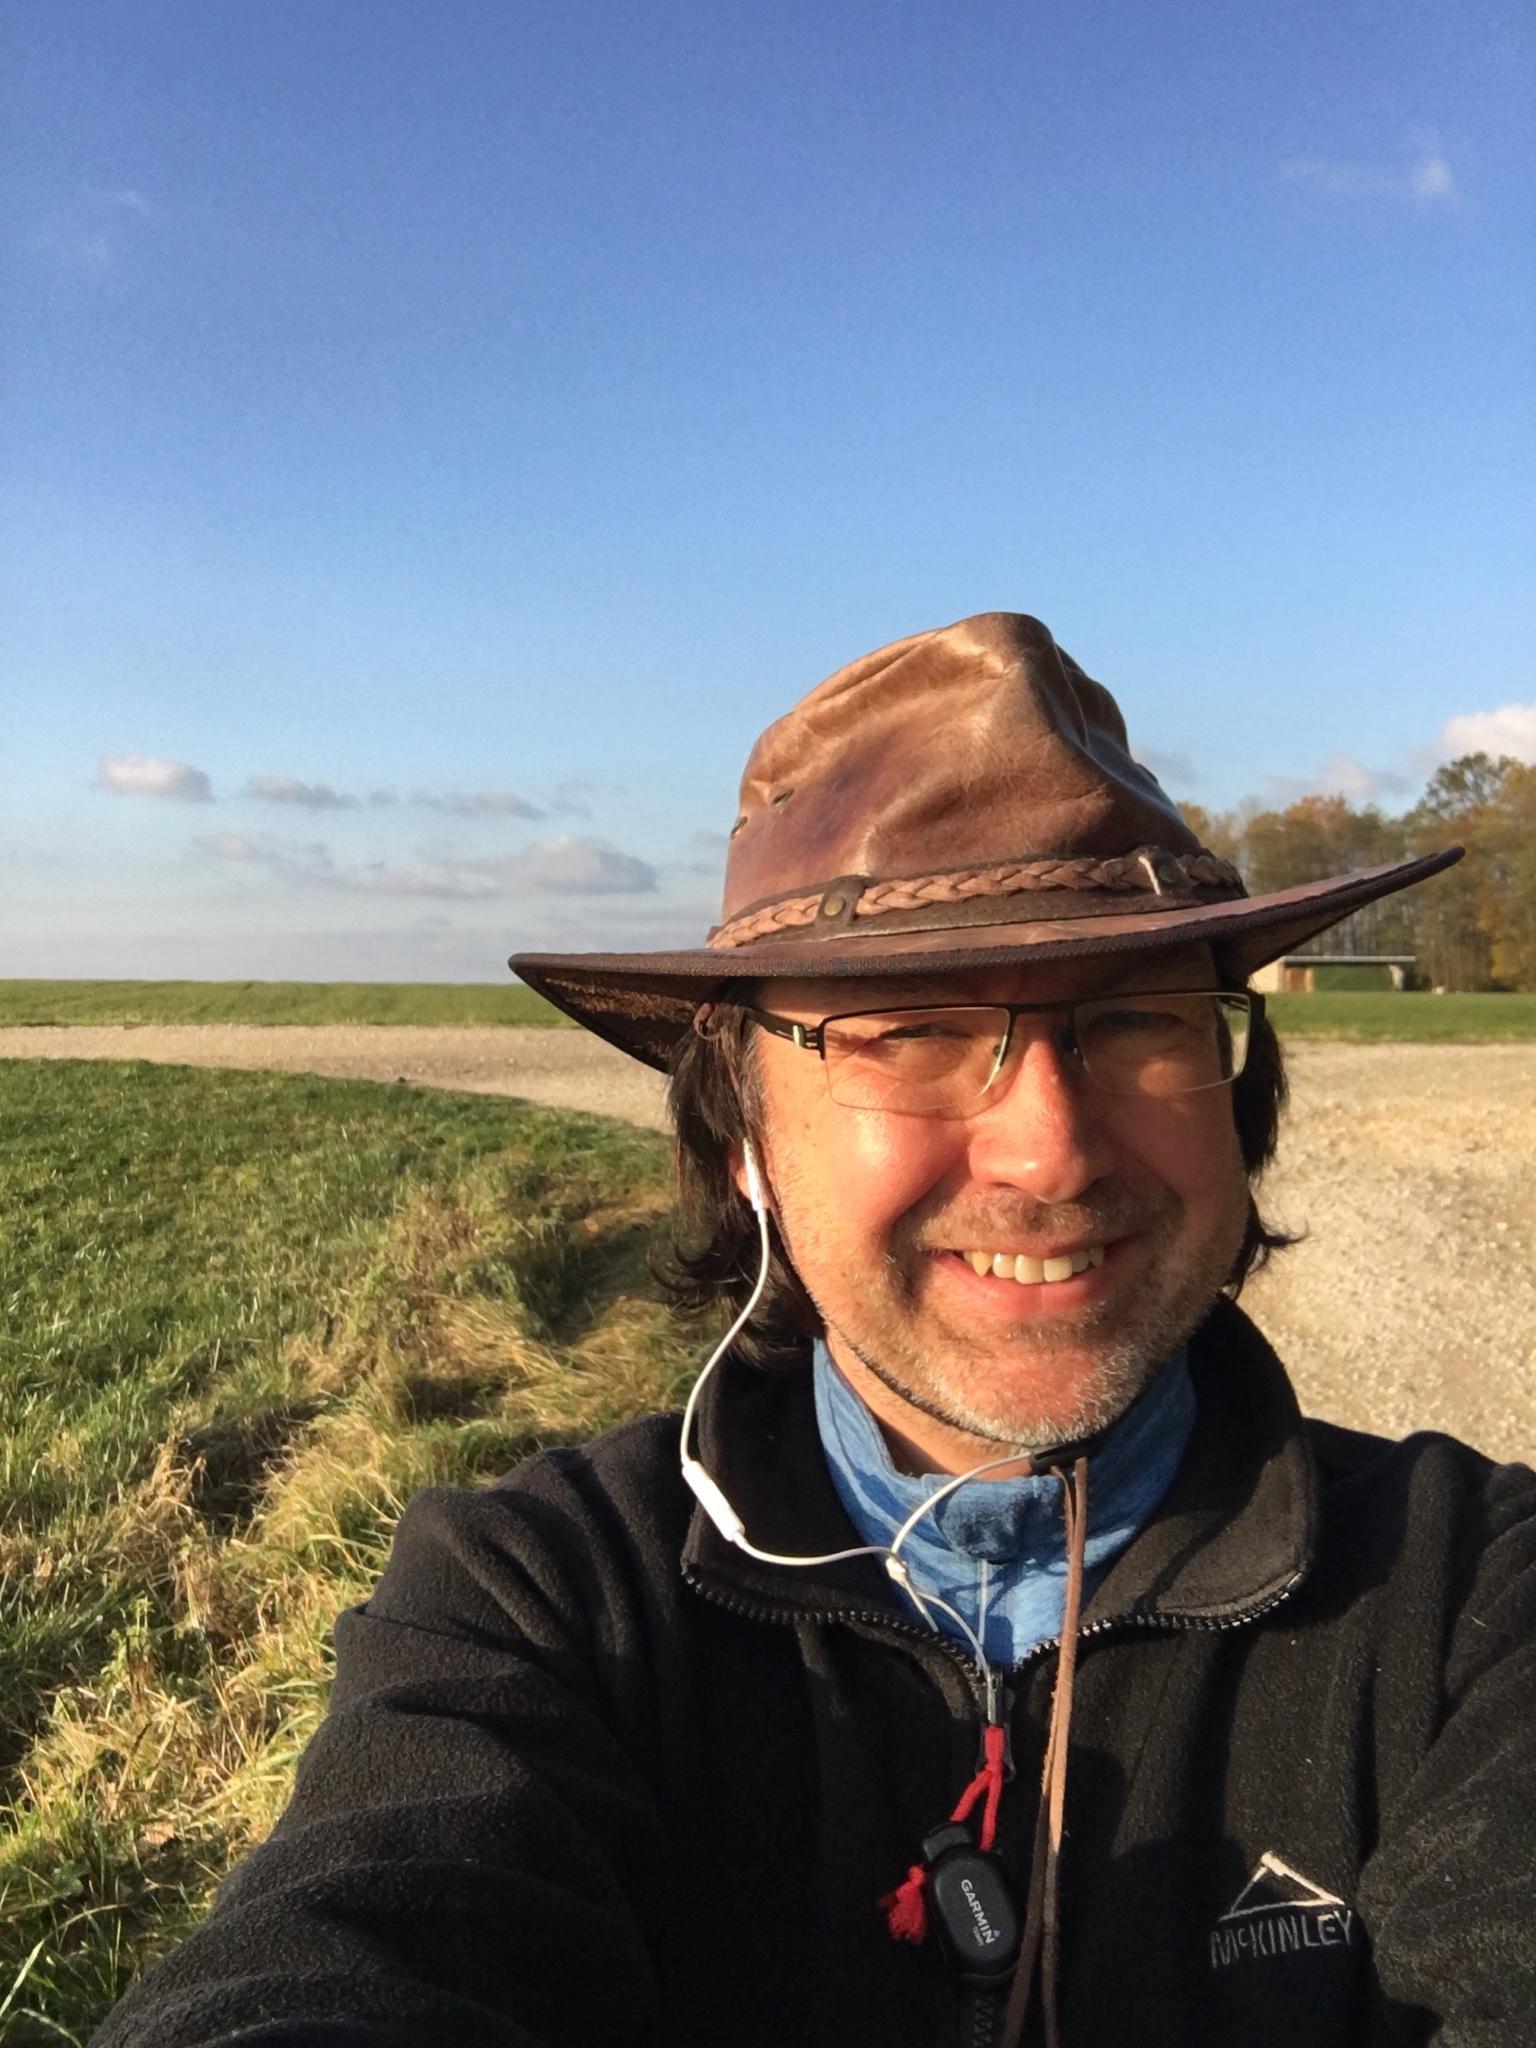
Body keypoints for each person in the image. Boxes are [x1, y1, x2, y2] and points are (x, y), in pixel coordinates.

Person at [98, 614, 1534, 2048]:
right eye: (909, 1032)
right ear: (743, 1140)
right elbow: (349, 1945)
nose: (1050, 1150)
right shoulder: (543, 1600)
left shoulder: (1474, 1598)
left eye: (1136, 1020)